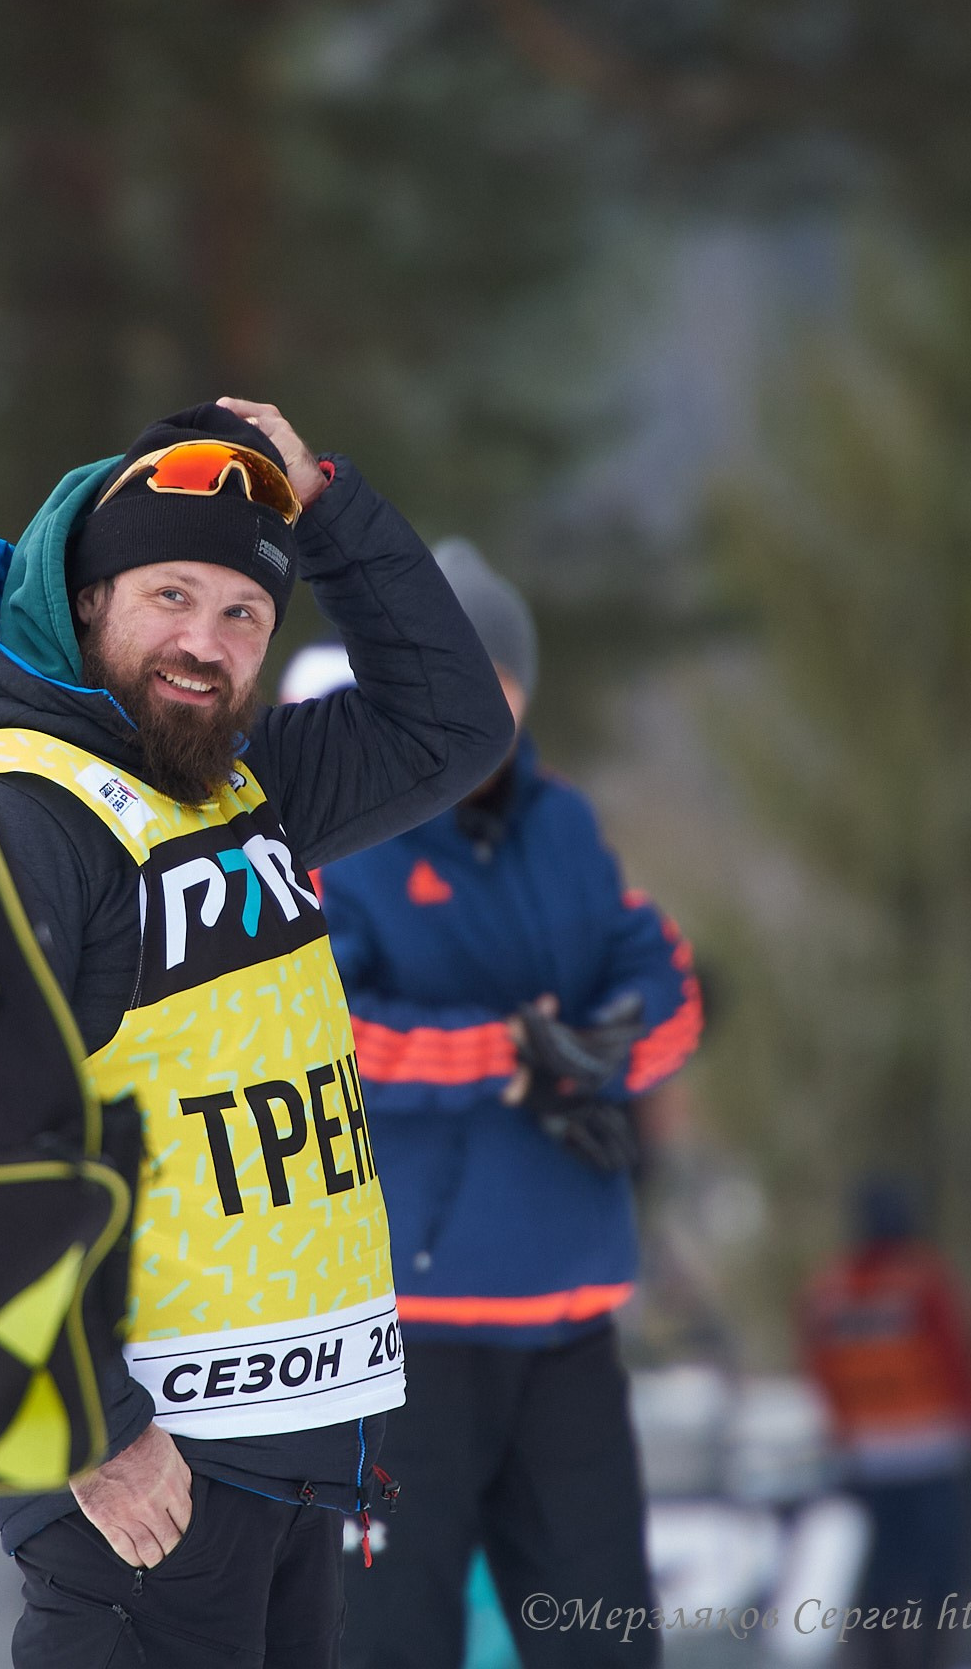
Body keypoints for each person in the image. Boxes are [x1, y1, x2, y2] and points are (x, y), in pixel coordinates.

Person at [0, 399, 515, 1666]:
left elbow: (455, 727)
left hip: (298, 1463)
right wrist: (95, 1429)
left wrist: (326, 504)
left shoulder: (244, 784)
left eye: (242, 613)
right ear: (86, 601)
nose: (205, 641)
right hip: (145, 1476)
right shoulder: (25, 805)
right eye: (169, 595)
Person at [315, 539, 702, 1669]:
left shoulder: (568, 829)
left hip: (570, 1322)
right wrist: (508, 1053)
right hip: (404, 1338)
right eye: (451, 684)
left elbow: (668, 989)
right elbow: (328, 1037)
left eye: (503, 692)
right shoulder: (342, 831)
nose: (481, 720)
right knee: (390, 1642)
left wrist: (596, 1057)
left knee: (603, 1641)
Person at [800, 1180, 971, 1669]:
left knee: (878, 1583)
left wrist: (839, 1438)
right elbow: (960, 1361)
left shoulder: (829, 1290)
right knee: (940, 1580)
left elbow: (818, 1372)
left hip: (866, 1460)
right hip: (934, 1455)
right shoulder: (923, 1282)